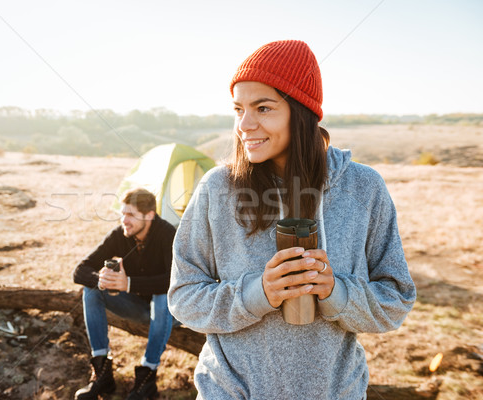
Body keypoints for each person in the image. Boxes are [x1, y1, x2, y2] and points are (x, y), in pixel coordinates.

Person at [168, 40, 416, 399]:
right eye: (238, 109)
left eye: (263, 108)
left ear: (302, 112)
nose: (244, 125)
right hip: (231, 392)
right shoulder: (218, 189)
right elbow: (184, 296)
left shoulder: (363, 188)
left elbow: (395, 300)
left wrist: (337, 292)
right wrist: (258, 293)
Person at [73, 187, 176, 400]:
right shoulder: (120, 234)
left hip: (170, 312)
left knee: (162, 295)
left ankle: (147, 377)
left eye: (130, 214)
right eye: (122, 213)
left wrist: (128, 283)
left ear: (149, 215)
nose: (124, 220)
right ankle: (102, 372)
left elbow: (174, 281)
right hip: (139, 309)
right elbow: (80, 270)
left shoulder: (167, 234)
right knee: (92, 288)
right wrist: (102, 279)